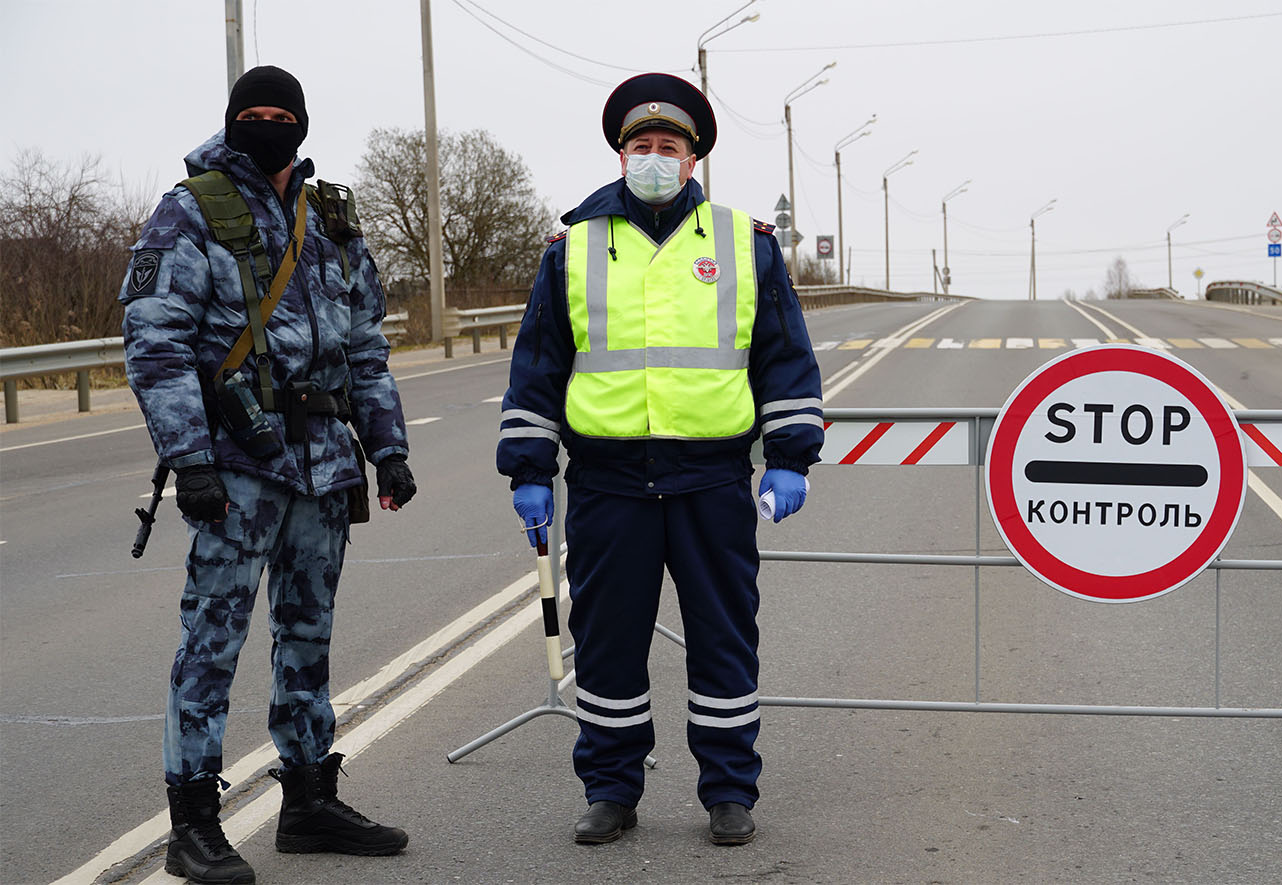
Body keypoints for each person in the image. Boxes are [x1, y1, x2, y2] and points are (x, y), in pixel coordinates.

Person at [496, 72, 824, 846]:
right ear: (620, 155)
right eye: (640, 145)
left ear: (692, 158)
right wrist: (530, 467)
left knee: (723, 637)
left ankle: (729, 791)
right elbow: (538, 364)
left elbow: (784, 358)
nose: (653, 155)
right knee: (607, 643)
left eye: (667, 146)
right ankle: (610, 788)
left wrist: (791, 457)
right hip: (609, 482)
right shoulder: (573, 247)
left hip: (711, 478)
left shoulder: (745, 245)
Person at [120, 65, 415, 883]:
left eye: (282, 114)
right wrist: (190, 460)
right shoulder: (190, 210)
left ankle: (310, 799)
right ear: (230, 121)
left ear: (305, 125)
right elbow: (155, 343)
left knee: (307, 637)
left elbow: (364, 346)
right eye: (253, 113)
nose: (268, 124)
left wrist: (387, 446)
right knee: (211, 643)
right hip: (238, 465)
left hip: (324, 464)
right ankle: (193, 822)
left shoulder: (329, 216)